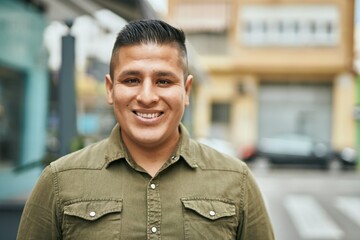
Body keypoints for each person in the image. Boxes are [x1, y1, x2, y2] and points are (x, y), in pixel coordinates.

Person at [17, 19, 274, 239]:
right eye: (132, 80)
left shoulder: (236, 180)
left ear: (186, 91)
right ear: (110, 89)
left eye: (163, 81)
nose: (147, 96)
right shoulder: (59, 180)